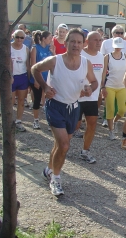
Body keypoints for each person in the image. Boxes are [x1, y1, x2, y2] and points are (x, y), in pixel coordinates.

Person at [32, 28, 98, 196]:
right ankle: (55, 179)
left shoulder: (85, 63)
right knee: (64, 145)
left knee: (60, 145)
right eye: (72, 41)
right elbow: (35, 69)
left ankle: (48, 169)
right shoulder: (55, 61)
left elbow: (95, 82)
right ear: (65, 43)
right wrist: (45, 86)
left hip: (73, 107)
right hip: (55, 106)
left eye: (79, 42)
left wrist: (90, 88)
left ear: (83, 45)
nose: (76, 45)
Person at [72, 31, 106, 163]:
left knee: (92, 124)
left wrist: (101, 88)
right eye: (95, 40)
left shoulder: (101, 56)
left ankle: (85, 151)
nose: (98, 42)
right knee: (73, 126)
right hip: (77, 96)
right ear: (87, 41)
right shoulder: (80, 54)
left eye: (100, 40)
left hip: (92, 96)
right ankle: (62, 148)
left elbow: (100, 76)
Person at [104, 37, 126, 140]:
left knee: (122, 110)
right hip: (110, 85)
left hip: (122, 86)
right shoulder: (107, 57)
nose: (118, 48)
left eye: (120, 47)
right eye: (116, 46)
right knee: (110, 109)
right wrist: (102, 86)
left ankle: (115, 121)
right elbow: (103, 72)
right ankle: (111, 131)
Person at [29, 31, 55, 129]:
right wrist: (36, 79)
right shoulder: (35, 48)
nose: (51, 40)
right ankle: (36, 121)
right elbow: (33, 64)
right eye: (49, 38)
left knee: (49, 101)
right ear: (43, 38)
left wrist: (53, 52)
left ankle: (50, 121)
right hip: (38, 78)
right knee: (37, 100)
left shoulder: (49, 49)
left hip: (48, 78)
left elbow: (54, 62)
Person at [11, 29, 31, 132]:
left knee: (21, 101)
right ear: (13, 37)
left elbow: (27, 65)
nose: (19, 39)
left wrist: (29, 80)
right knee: (10, 101)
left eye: (21, 37)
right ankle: (8, 122)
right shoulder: (8, 47)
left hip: (22, 76)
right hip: (11, 77)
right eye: (17, 37)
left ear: (24, 38)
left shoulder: (26, 49)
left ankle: (18, 121)